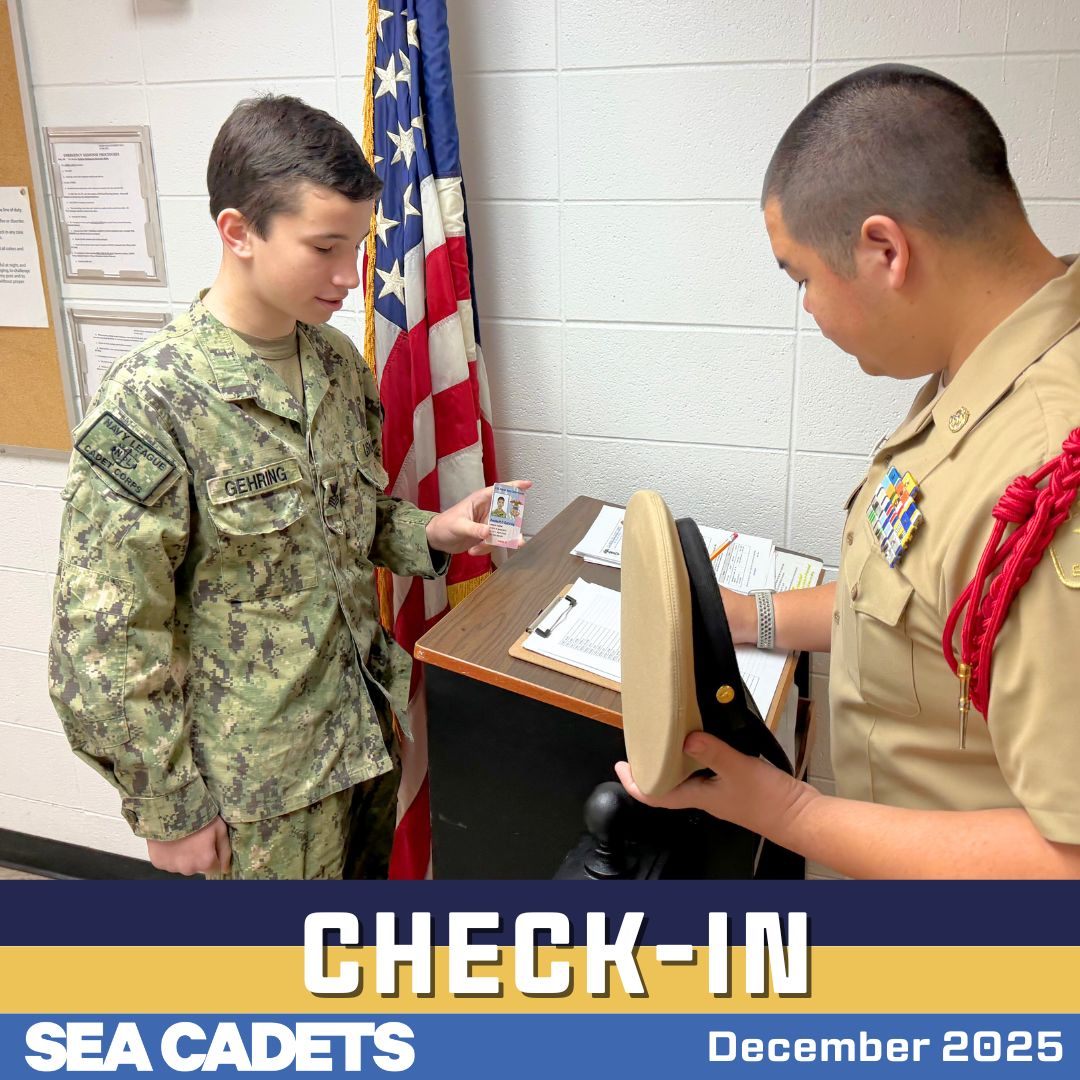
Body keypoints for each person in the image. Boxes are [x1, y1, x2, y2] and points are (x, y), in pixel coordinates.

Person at [617, 65, 1080, 878]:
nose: (807, 308)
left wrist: (787, 811)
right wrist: (740, 616)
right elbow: (926, 608)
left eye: (801, 277)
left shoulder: (1050, 464)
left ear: (885, 250)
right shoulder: (988, 365)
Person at [48, 95, 526, 880]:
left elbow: (348, 519)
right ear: (238, 232)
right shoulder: (153, 399)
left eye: (360, 248)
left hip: (360, 739)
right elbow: (100, 639)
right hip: (254, 795)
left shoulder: (335, 364)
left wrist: (433, 533)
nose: (350, 277)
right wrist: (169, 812)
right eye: (325, 248)